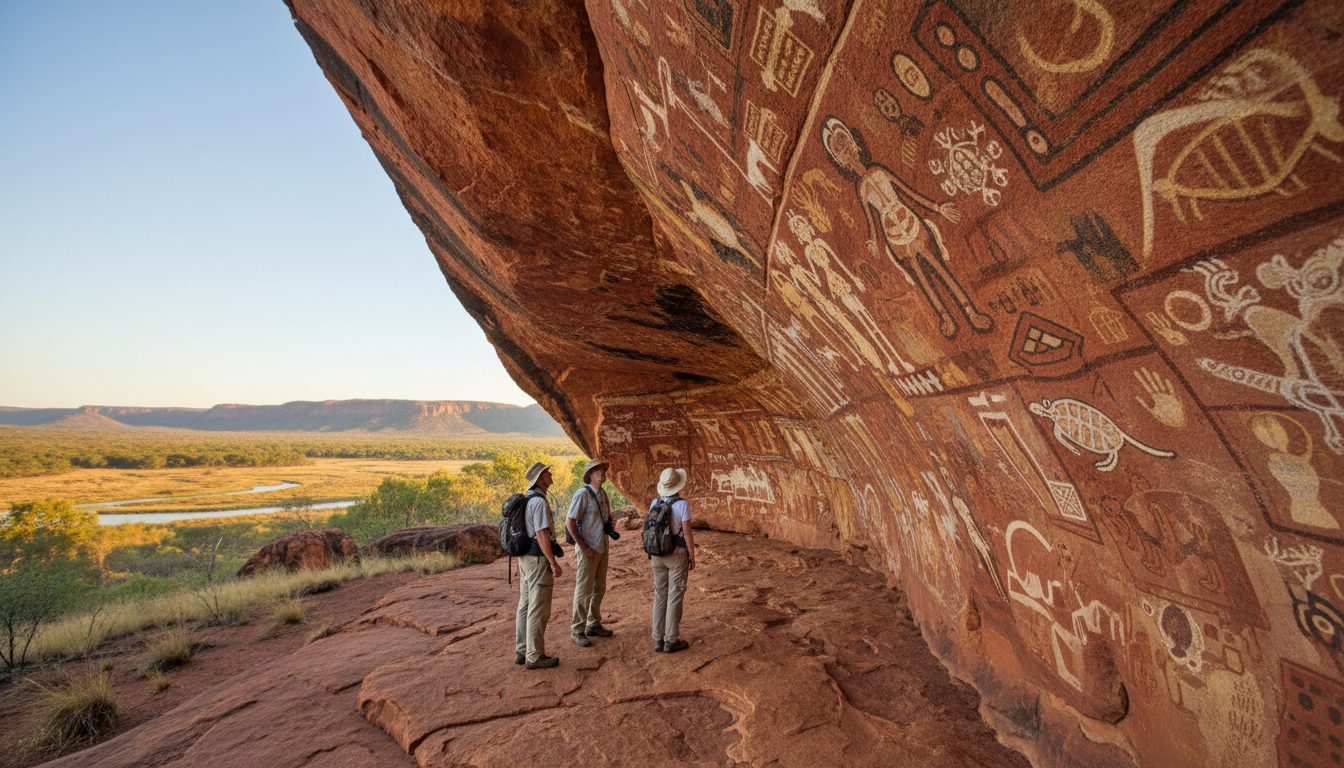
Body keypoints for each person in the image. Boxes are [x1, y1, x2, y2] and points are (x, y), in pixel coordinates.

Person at [515, 462, 563, 669]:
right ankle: (535, 655)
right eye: (547, 473)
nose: (551, 475)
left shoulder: (527, 499)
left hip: (524, 559)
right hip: (537, 560)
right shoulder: (539, 503)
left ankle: (522, 651)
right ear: (540, 478)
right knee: (538, 606)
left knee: (525, 604)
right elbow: (542, 534)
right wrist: (553, 562)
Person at [567, 458, 616, 647]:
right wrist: (583, 546)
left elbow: (606, 518)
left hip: (602, 546)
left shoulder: (603, 494)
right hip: (588, 549)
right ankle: (577, 630)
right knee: (583, 590)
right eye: (597, 471)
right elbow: (570, 522)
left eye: (603, 470)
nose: (601, 473)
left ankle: (593, 623)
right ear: (589, 475)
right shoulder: (582, 494)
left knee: (599, 588)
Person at [650, 467, 696, 654]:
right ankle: (671, 639)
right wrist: (692, 556)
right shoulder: (682, 504)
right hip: (676, 554)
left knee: (660, 595)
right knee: (675, 595)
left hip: (657, 554)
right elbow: (687, 534)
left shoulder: (655, 502)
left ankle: (658, 639)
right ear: (678, 485)